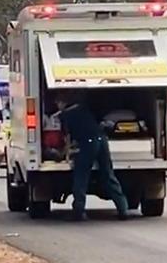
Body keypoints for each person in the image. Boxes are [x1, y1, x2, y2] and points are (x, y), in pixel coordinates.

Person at [54, 92, 128, 221]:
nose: (57, 105)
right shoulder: (83, 108)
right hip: (102, 139)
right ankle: (123, 208)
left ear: (63, 103)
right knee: (108, 174)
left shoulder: (65, 115)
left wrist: (64, 153)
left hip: (88, 143)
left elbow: (67, 138)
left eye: (58, 103)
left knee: (81, 176)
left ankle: (79, 210)